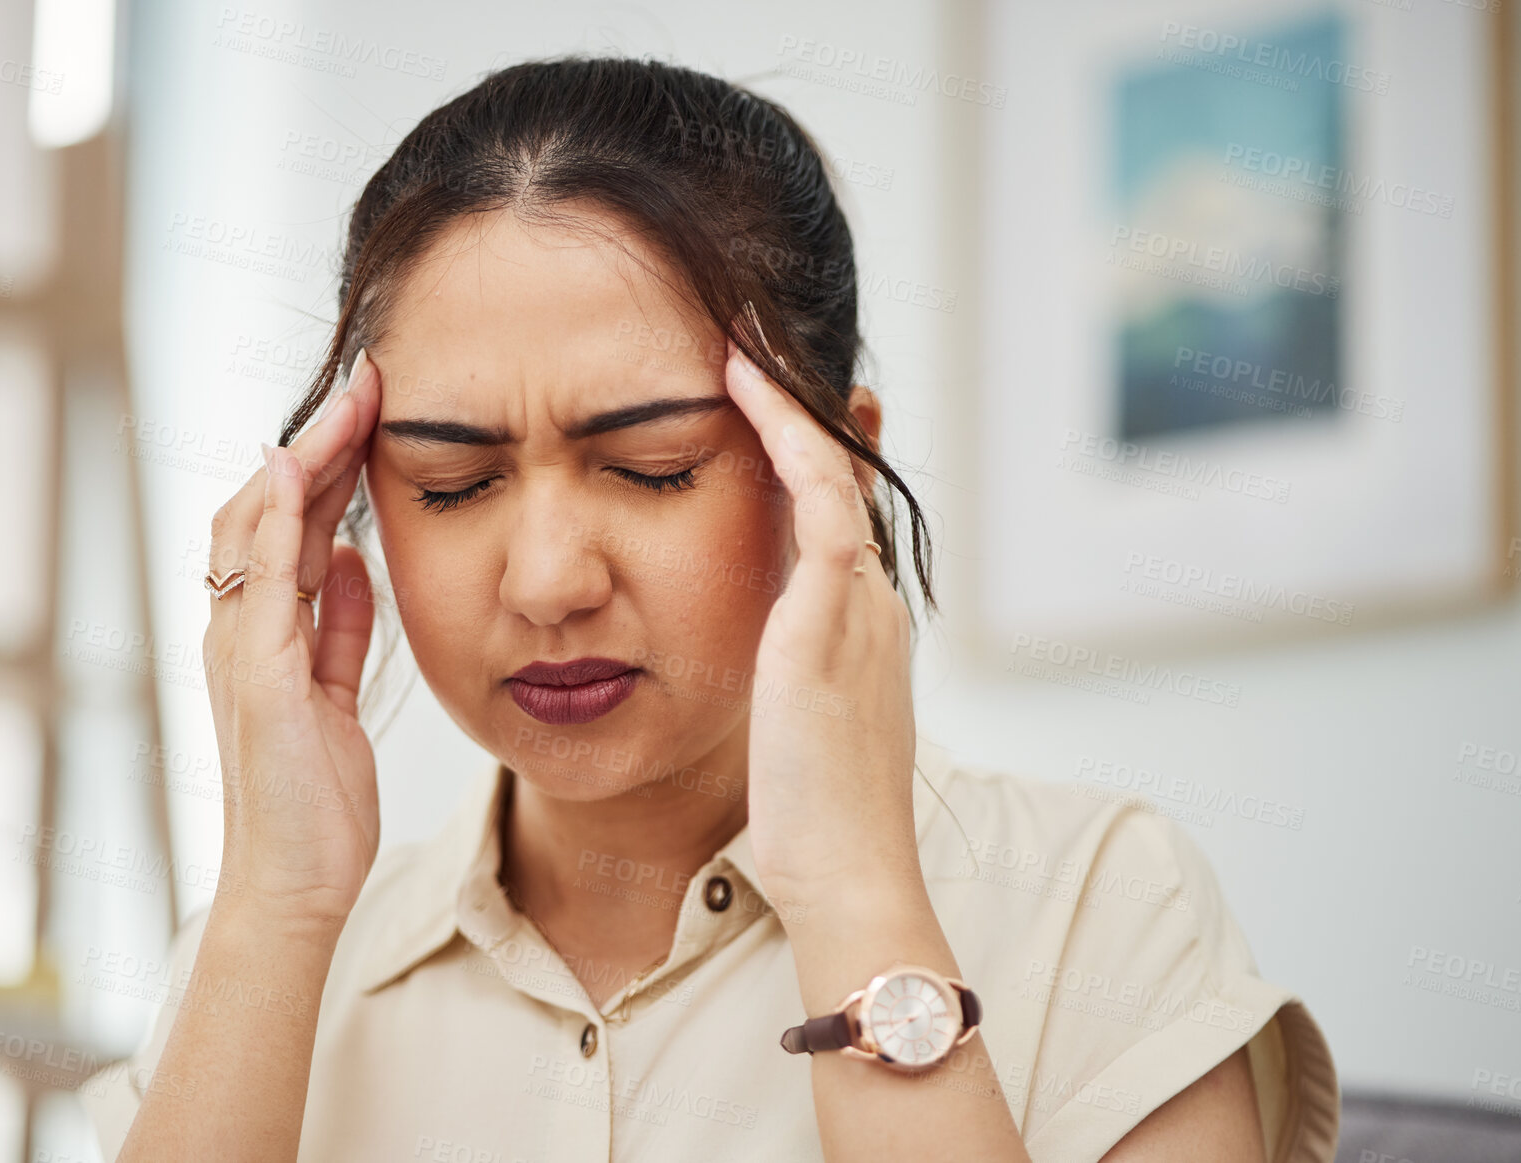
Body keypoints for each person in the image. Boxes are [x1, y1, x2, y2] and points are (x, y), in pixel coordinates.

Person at [81, 56, 1339, 1162]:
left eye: (653, 465)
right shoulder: (262, 956)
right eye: (450, 482)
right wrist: (272, 909)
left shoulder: (1099, 905)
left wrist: (853, 889)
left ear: (832, 474)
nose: (544, 581)